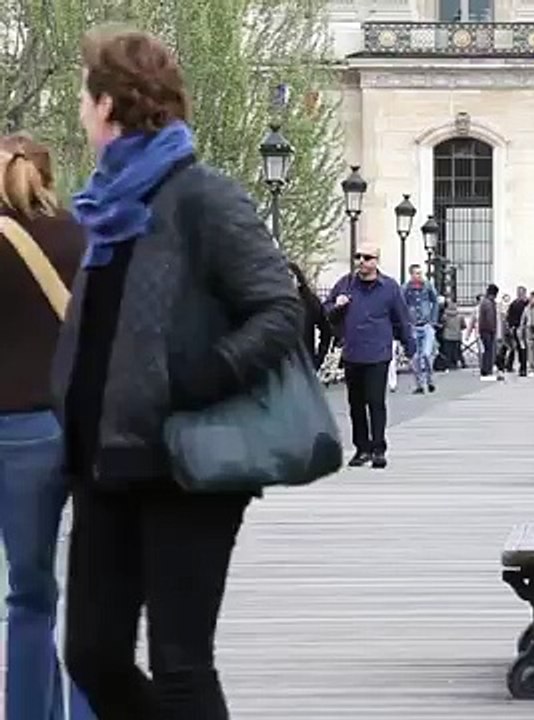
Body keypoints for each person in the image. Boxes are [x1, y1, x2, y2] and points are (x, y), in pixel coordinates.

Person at [54, 26, 304, 719]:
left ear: (109, 104)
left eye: (84, 97)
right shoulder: (104, 207)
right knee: (92, 654)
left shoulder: (202, 196)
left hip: (187, 465)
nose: (80, 110)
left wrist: (200, 375)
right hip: (105, 462)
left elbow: (280, 309)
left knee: (181, 664)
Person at [0, 135, 96, 720]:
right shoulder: (81, 237)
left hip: (14, 430)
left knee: (29, 593)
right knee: (91, 589)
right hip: (82, 424)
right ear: (49, 177)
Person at [324, 243, 415, 469]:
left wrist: (409, 344)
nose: (361, 262)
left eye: (367, 257)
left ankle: (378, 449)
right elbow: (326, 310)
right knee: (355, 404)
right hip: (352, 352)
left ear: (376, 261)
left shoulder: (389, 287)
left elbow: (401, 318)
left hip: (377, 353)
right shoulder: (345, 284)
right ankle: (362, 448)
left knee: (375, 402)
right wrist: (337, 306)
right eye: (358, 257)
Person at [403, 263, 439, 394]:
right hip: (413, 326)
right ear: (411, 275)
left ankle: (430, 380)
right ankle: (419, 384)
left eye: (420, 273)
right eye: (417, 273)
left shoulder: (427, 286)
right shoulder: (405, 288)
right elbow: (401, 305)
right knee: (415, 357)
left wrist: (433, 319)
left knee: (426, 354)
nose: (419, 276)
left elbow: (435, 301)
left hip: (426, 325)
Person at [287, 261, 330, 370]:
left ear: (299, 281)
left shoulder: (310, 302)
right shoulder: (271, 305)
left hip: (304, 364)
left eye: (290, 277)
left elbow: (326, 330)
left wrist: (319, 358)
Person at [477, 284, 499, 380]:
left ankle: (485, 369)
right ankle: (487, 369)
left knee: (486, 350)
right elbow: (490, 318)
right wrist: (493, 329)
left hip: (484, 329)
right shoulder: (489, 303)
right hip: (488, 330)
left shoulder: (484, 302)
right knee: (489, 351)